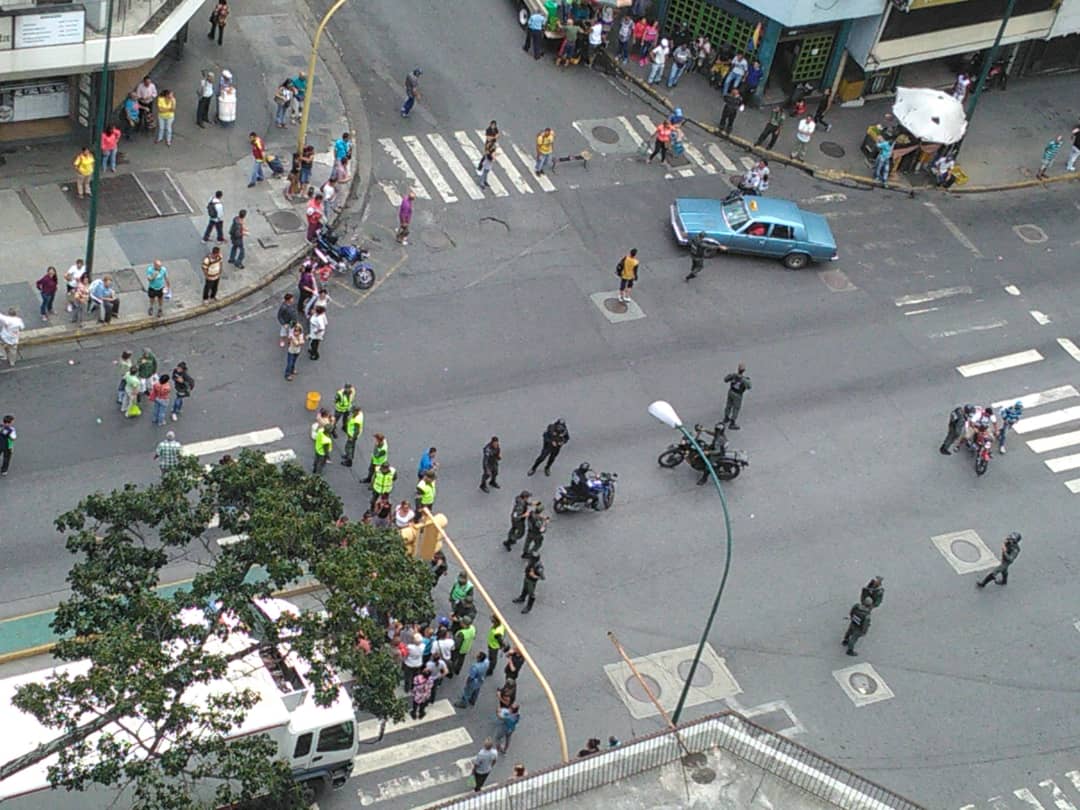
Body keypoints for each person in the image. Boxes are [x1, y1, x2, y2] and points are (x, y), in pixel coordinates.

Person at [723, 364, 751, 429]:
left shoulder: (733, 375)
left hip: (731, 391)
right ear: (744, 371)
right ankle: (732, 423)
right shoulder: (744, 379)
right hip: (738, 395)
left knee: (728, 405)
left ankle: (726, 417)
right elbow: (749, 387)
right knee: (736, 408)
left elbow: (725, 379)